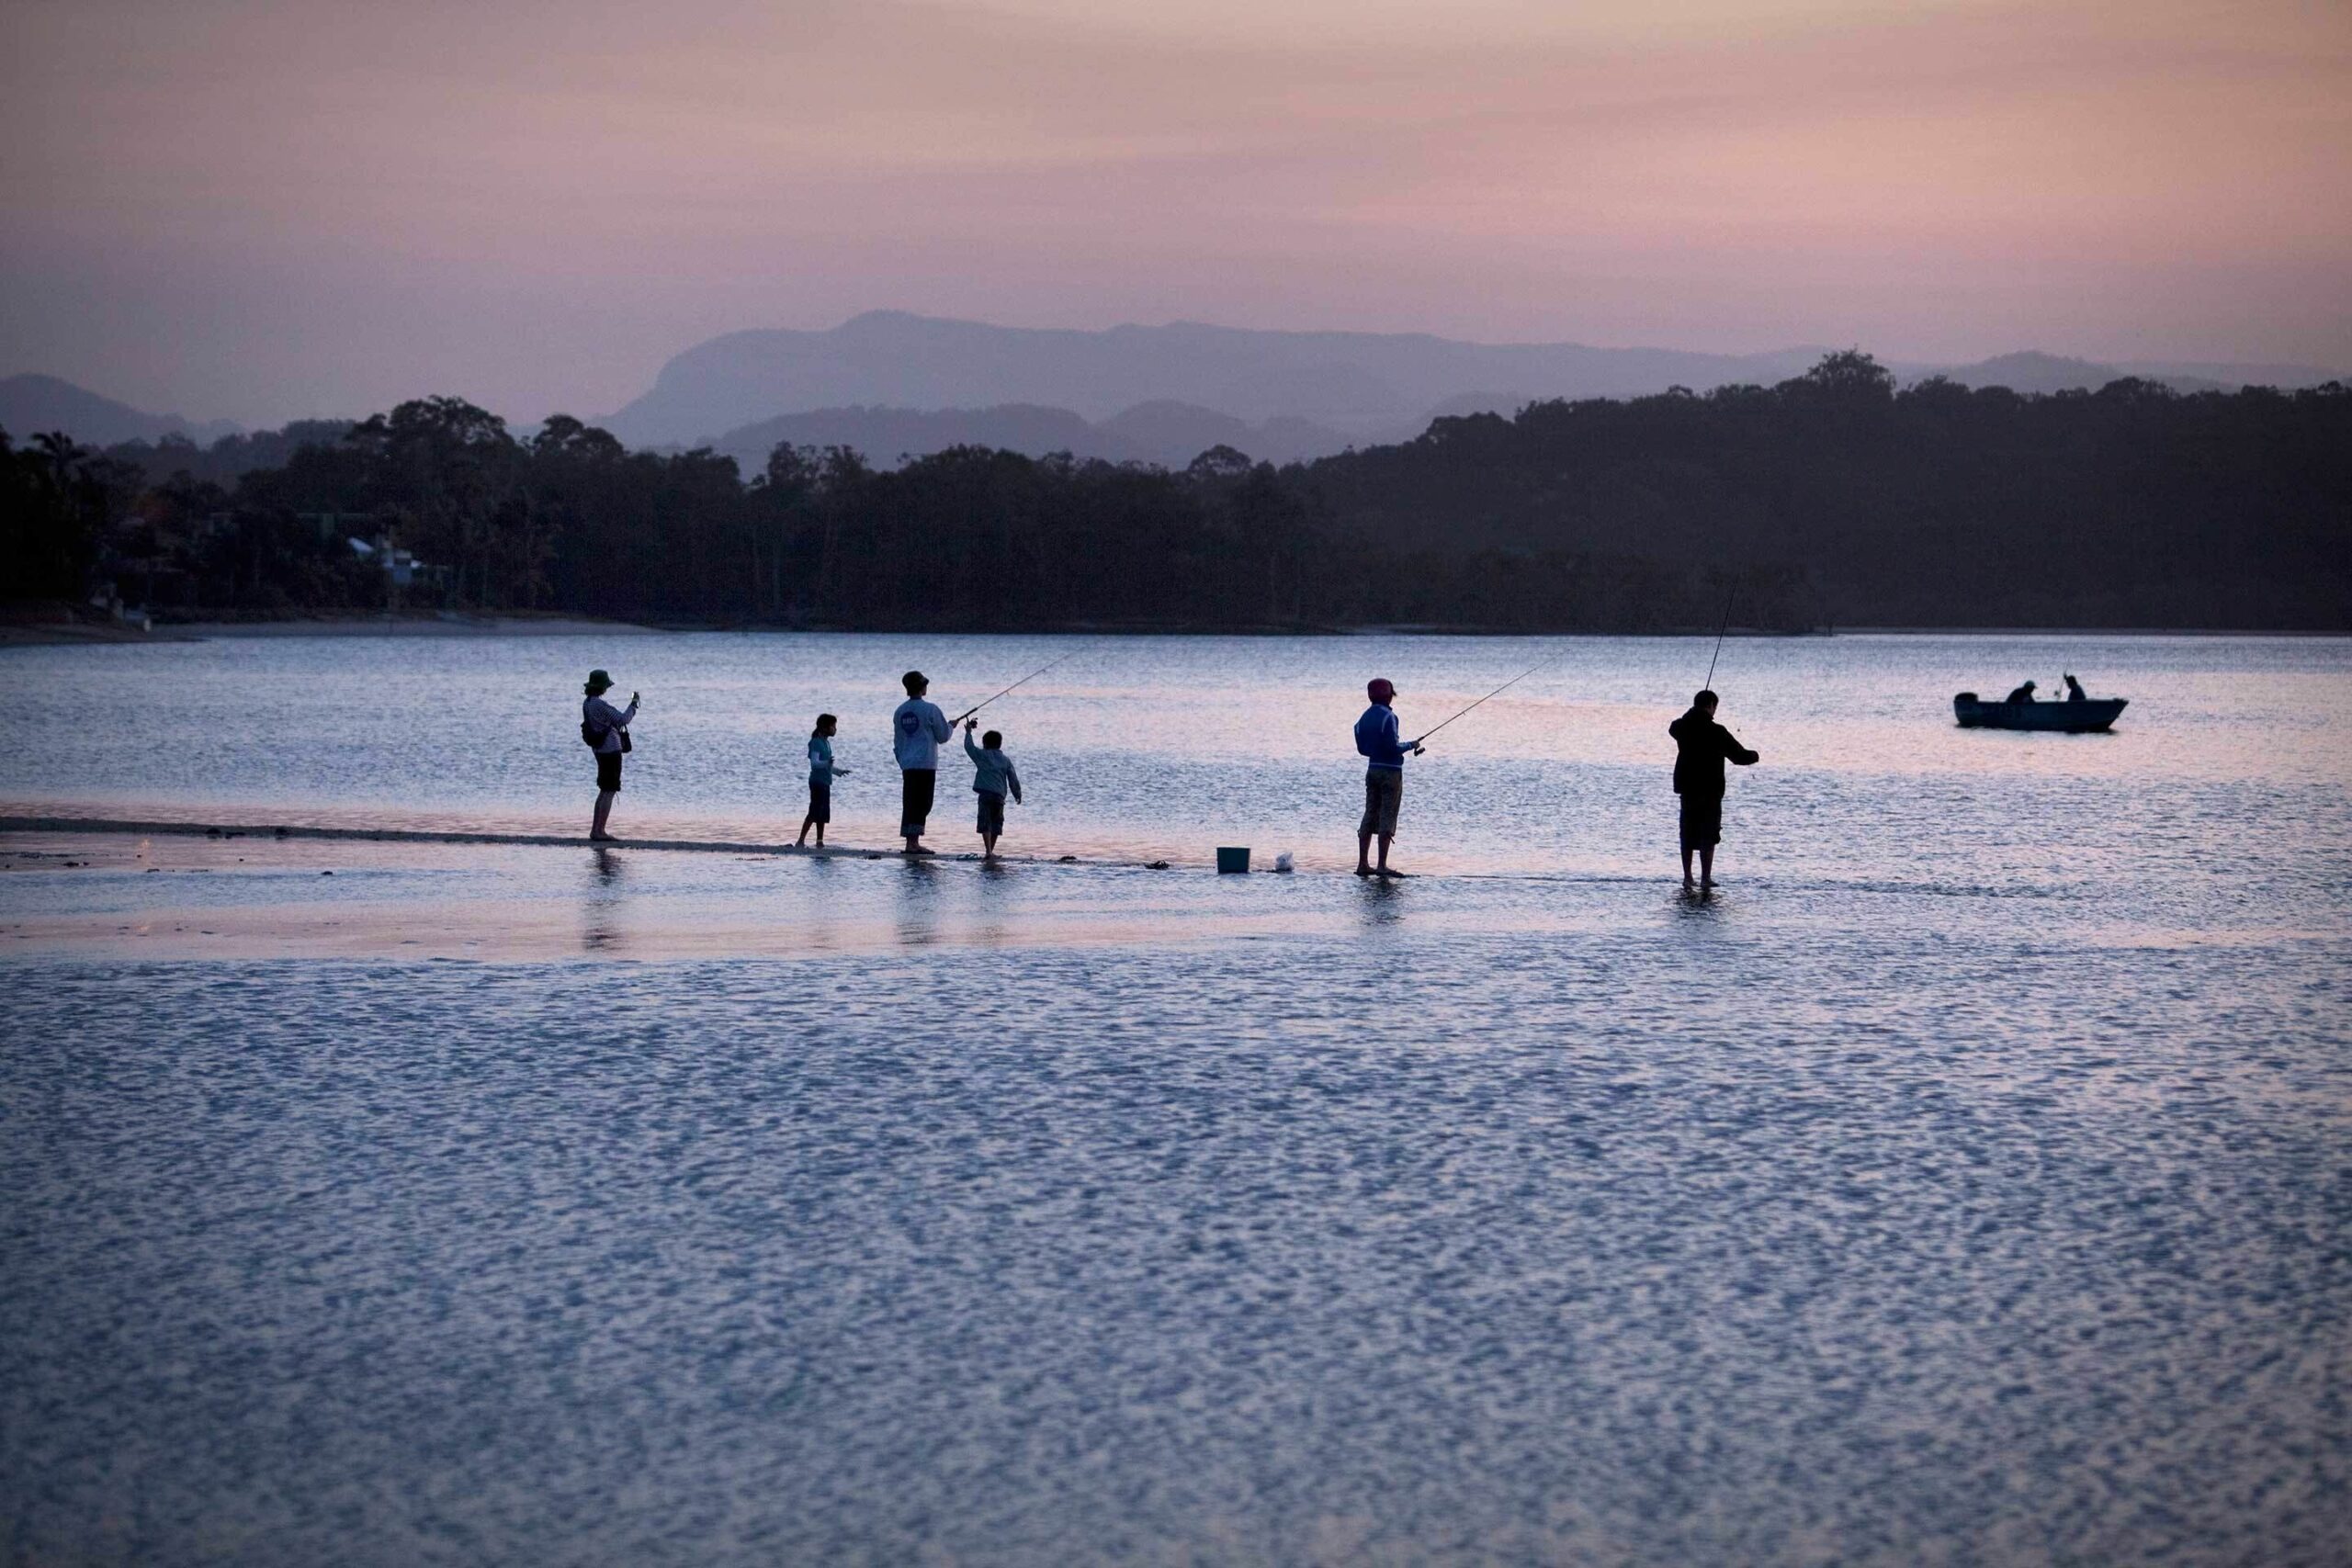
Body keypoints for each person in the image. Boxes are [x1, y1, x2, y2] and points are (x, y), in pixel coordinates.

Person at [1668, 688, 1758, 891]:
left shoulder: (1684, 728)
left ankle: (1687, 878)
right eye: (1714, 707)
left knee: (1687, 833)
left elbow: (1674, 726)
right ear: (1710, 706)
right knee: (1708, 834)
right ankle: (1705, 878)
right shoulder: (1717, 732)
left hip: (1688, 789)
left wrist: (1692, 714)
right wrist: (1756, 755)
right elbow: (1739, 757)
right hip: (1710, 791)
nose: (1715, 711)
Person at [1353, 677, 1422, 877]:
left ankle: (1363, 864)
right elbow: (1393, 747)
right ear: (1387, 696)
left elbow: (1361, 748)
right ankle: (1382, 865)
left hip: (1372, 770)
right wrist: (1411, 745)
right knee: (1387, 816)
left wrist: (1377, 752)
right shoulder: (1389, 718)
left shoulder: (1363, 718)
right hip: (1391, 772)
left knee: (1369, 814)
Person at [892, 671, 956, 854]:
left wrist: (901, 759)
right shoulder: (931, 709)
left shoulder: (900, 711)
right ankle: (913, 843)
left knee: (910, 802)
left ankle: (910, 842)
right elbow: (943, 736)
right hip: (926, 763)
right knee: (923, 803)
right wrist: (951, 726)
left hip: (908, 764)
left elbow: (898, 740)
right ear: (921, 687)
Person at [581, 669, 640, 842]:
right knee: (610, 790)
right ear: (602, 687)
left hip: (599, 750)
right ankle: (600, 831)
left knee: (604, 790)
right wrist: (634, 704)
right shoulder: (599, 704)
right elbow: (623, 719)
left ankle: (596, 830)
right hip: (610, 750)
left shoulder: (588, 703)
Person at [964, 720, 1023, 859]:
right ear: (999, 744)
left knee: (985, 822)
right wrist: (1017, 794)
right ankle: (990, 852)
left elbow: (969, 747)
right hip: (999, 796)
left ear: (984, 743)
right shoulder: (1005, 760)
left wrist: (968, 733)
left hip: (985, 795)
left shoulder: (982, 756)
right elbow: (1013, 778)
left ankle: (989, 851)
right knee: (996, 823)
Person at [797, 713, 849, 848]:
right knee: (814, 811)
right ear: (825, 727)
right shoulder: (815, 742)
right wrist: (827, 763)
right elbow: (815, 763)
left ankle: (819, 841)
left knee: (823, 813)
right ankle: (801, 840)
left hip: (826, 782)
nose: (835, 729)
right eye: (833, 726)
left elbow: (827, 766)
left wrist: (839, 772)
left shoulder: (826, 743)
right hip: (817, 782)